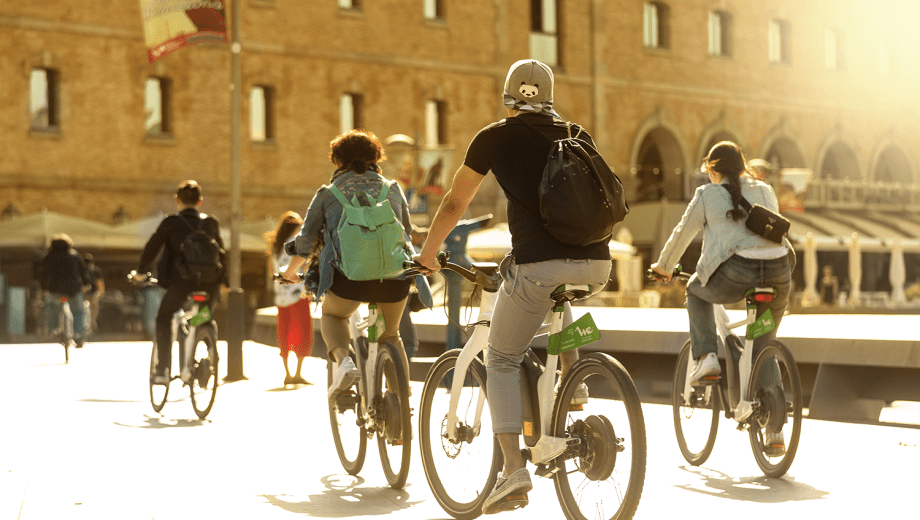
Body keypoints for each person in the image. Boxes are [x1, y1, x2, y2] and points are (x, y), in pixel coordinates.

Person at [415, 59, 613, 515]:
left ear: (508, 96)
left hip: (539, 265)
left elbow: (453, 204)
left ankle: (512, 473)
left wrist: (428, 256)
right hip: (597, 264)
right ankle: (573, 387)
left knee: (501, 357)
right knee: (556, 301)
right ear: (549, 95)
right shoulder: (577, 134)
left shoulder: (494, 137)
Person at [650, 141, 794, 456]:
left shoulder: (707, 194)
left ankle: (706, 358)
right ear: (742, 167)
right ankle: (776, 432)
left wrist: (663, 267)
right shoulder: (766, 189)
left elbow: (681, 233)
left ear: (713, 170)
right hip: (779, 272)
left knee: (694, 291)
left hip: (737, 273)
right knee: (762, 343)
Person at [280, 129, 430, 405]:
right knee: (391, 335)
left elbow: (306, 240)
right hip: (394, 278)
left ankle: (344, 361)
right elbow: (406, 235)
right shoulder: (393, 189)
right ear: (377, 158)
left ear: (337, 161)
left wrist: (290, 273)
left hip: (348, 279)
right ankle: (401, 407)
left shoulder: (329, 193)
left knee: (333, 317)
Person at [130, 180, 227, 384]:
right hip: (209, 284)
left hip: (181, 284)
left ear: (177, 200)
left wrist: (140, 272)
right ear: (200, 201)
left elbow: (152, 248)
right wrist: (223, 281)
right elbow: (222, 253)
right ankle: (211, 353)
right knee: (204, 316)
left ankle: (163, 369)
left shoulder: (171, 222)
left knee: (164, 317)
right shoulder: (211, 222)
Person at [267, 211, 314, 386]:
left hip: (281, 296)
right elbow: (305, 265)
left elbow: (271, 270)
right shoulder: (296, 244)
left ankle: (287, 373)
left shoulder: (276, 246)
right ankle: (298, 373)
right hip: (297, 294)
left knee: (284, 333)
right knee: (303, 333)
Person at [40, 233, 90, 348]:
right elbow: (83, 271)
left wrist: (43, 288)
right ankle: (78, 335)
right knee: (78, 312)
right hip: (73, 290)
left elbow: (43, 274)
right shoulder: (75, 255)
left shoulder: (49, 256)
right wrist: (86, 284)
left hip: (55, 290)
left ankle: (54, 330)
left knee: (52, 307)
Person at [82, 253, 105, 333]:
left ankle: (89, 324)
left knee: (82, 310)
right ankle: (92, 322)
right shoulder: (96, 270)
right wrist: (99, 293)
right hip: (91, 294)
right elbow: (100, 284)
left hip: (85, 294)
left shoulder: (82, 269)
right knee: (94, 309)